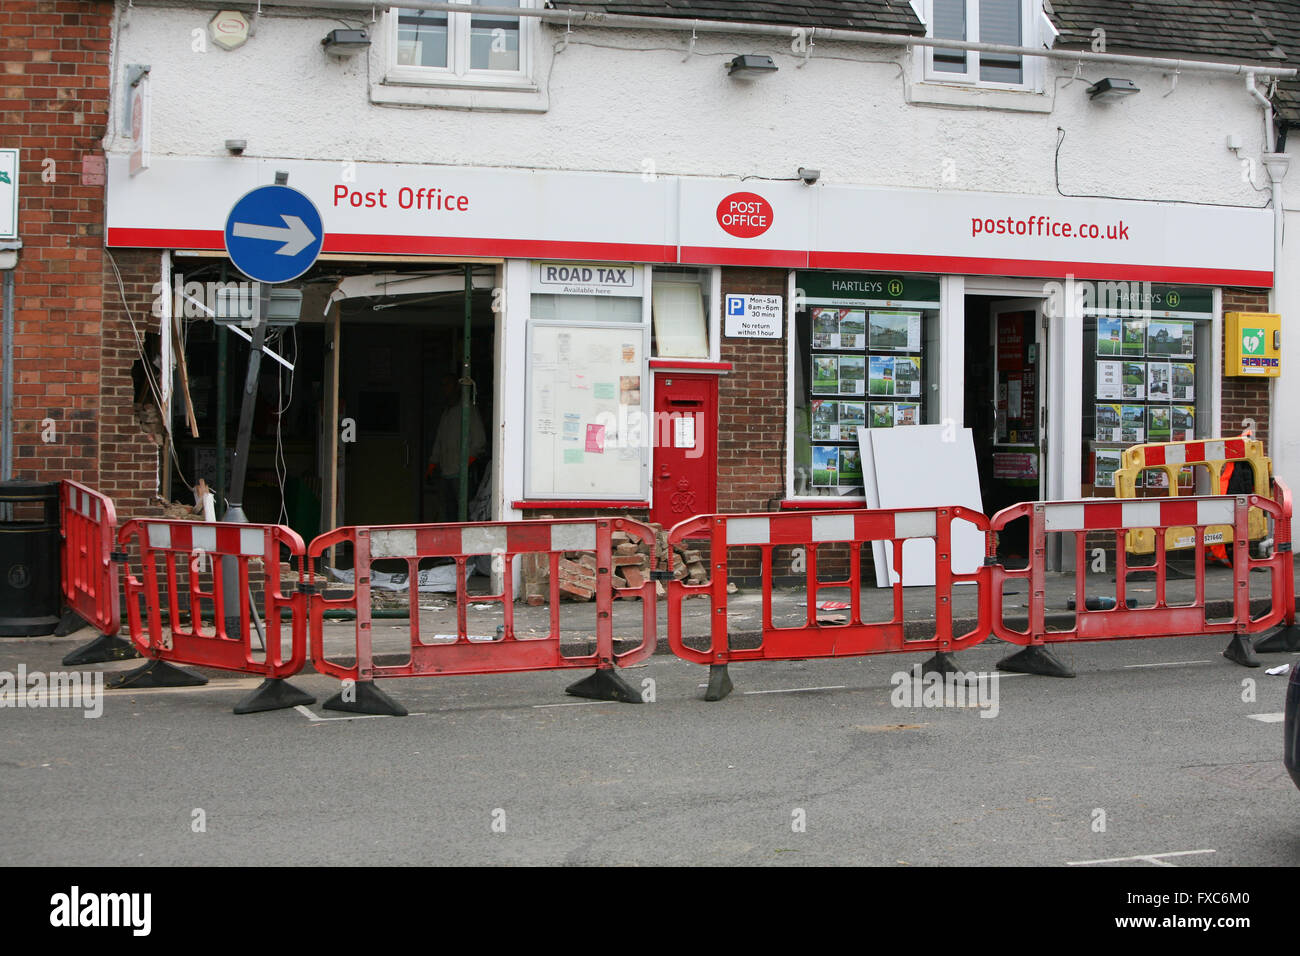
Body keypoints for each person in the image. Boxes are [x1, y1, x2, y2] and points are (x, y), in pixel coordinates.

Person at [425, 374, 486, 521]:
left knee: (464, 515)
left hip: (462, 476)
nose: (444, 389)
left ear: (457, 388)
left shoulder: (468, 409)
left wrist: (465, 464)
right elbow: (440, 441)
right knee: (447, 516)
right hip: (446, 474)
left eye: (448, 385)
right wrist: (433, 464)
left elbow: (479, 441)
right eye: (443, 385)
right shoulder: (446, 412)